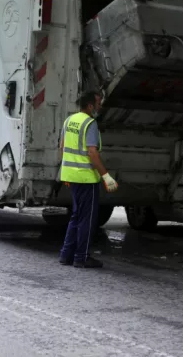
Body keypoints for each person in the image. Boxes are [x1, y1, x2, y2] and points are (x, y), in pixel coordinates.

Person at [58, 91, 118, 269]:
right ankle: (81, 257)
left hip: (71, 177)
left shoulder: (69, 121)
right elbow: (92, 152)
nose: (100, 107)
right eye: (98, 103)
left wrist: (65, 172)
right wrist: (106, 176)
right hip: (86, 179)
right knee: (87, 219)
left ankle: (66, 254)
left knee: (76, 216)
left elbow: (62, 147)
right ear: (90, 106)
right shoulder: (90, 123)